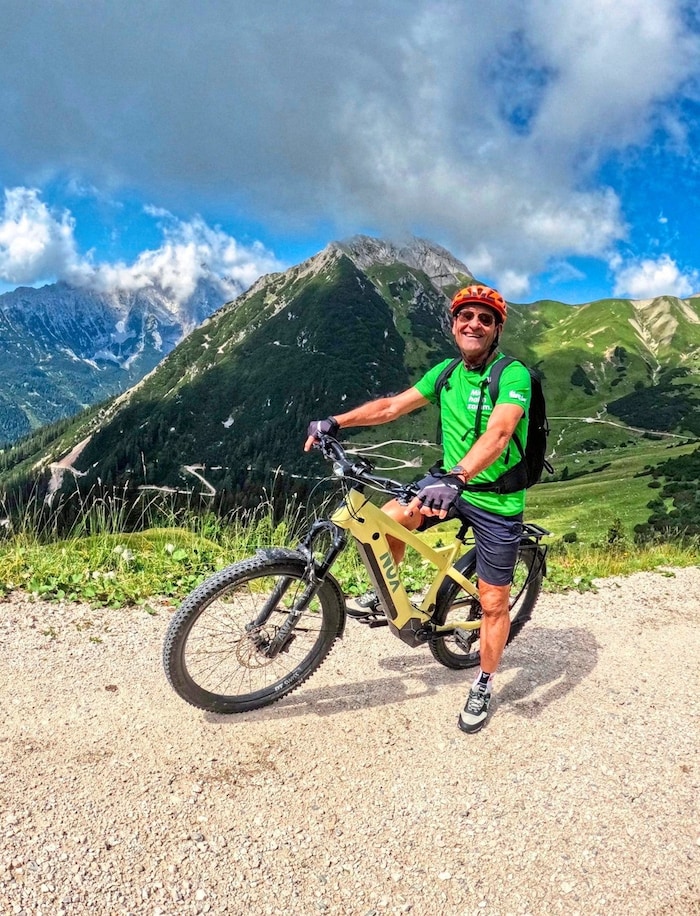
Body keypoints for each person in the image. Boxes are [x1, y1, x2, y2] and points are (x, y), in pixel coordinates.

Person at [304, 284, 531, 734]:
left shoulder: (512, 374)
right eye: (465, 316)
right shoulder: (446, 372)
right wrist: (336, 422)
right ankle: (393, 596)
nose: (474, 324)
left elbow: (501, 432)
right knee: (385, 524)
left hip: (493, 497)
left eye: (485, 319)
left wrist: (459, 476)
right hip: (448, 483)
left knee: (492, 602)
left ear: (496, 329)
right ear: (453, 324)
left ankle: (484, 681)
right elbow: (391, 406)